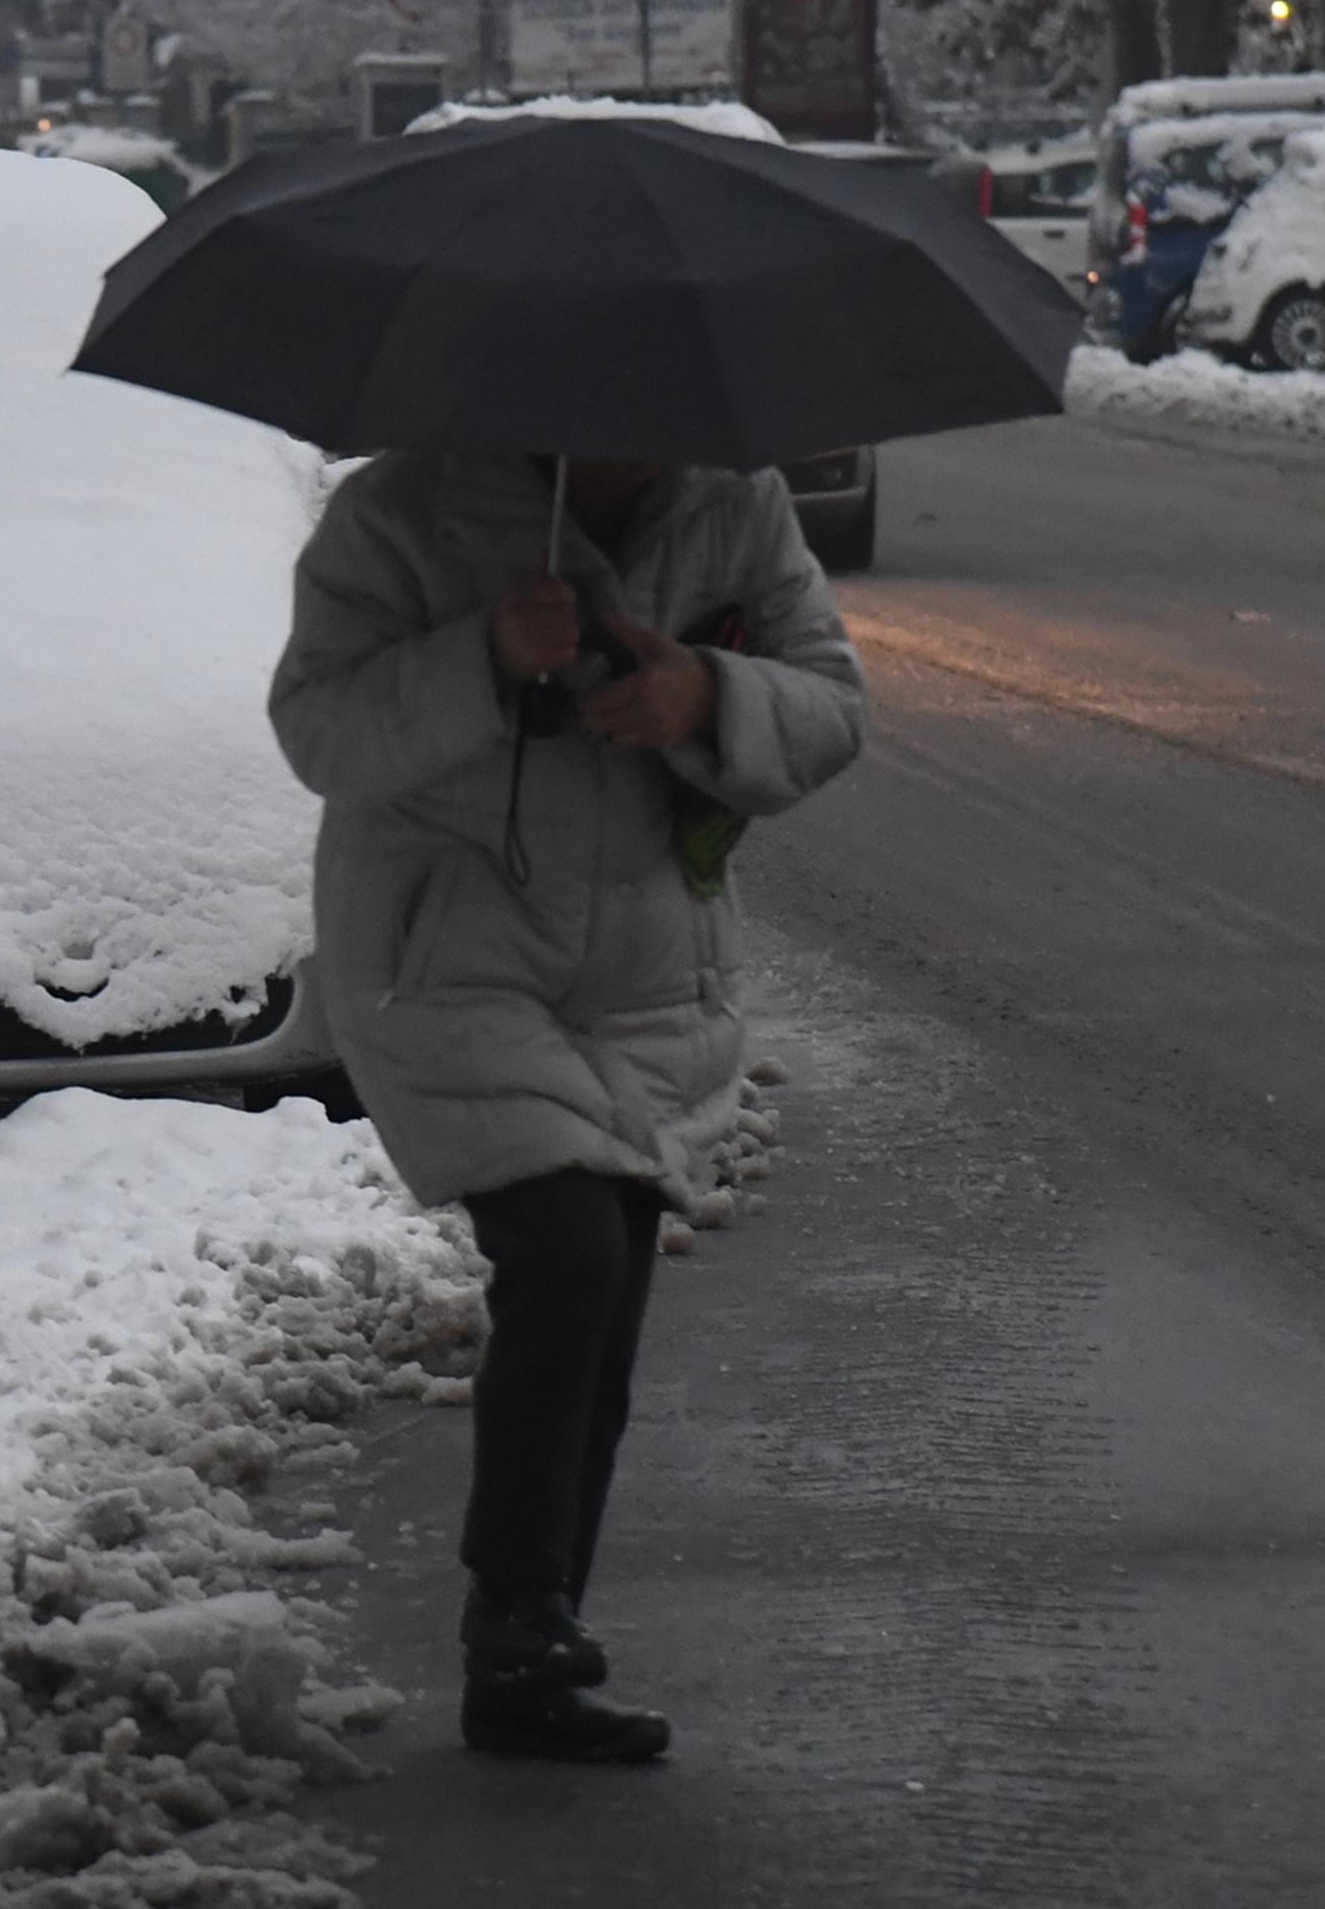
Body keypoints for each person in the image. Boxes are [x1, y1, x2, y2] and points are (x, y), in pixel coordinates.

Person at [269, 452, 869, 1763]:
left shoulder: (736, 506)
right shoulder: (401, 514)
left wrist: (708, 691)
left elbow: (833, 704)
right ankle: (522, 1612)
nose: (627, 431)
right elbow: (318, 728)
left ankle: (526, 1657)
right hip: (449, 960)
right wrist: (481, 657)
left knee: (606, 1291)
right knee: (568, 1249)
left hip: (646, 979)